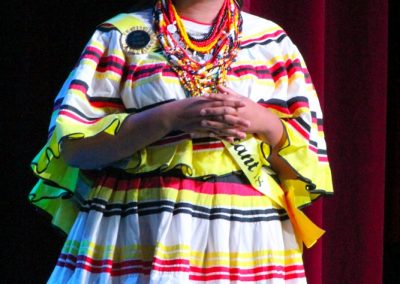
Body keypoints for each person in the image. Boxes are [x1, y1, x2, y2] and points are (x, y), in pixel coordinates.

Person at [29, 0, 333, 282]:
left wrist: (265, 123)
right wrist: (168, 118)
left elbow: (305, 164)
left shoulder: (271, 41)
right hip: (138, 226)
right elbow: (73, 148)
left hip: (246, 233)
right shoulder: (119, 34)